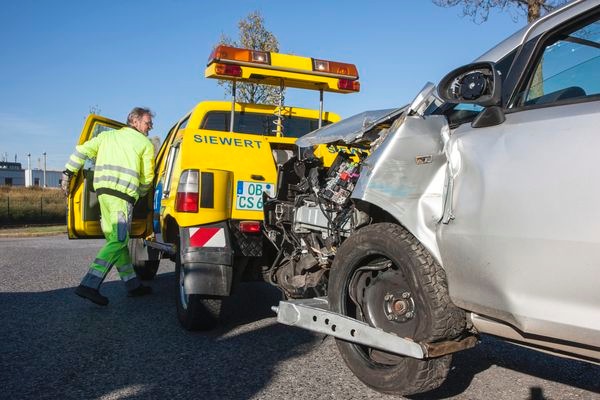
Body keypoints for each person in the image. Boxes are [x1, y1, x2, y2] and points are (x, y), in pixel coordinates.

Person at [62, 107, 156, 306]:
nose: (151, 126)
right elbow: (148, 177)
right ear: (135, 121)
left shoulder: (107, 136)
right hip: (122, 198)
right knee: (119, 241)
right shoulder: (145, 144)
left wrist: (68, 172)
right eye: (148, 122)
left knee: (116, 240)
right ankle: (89, 284)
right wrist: (140, 194)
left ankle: (133, 285)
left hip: (103, 194)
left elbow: (81, 150)